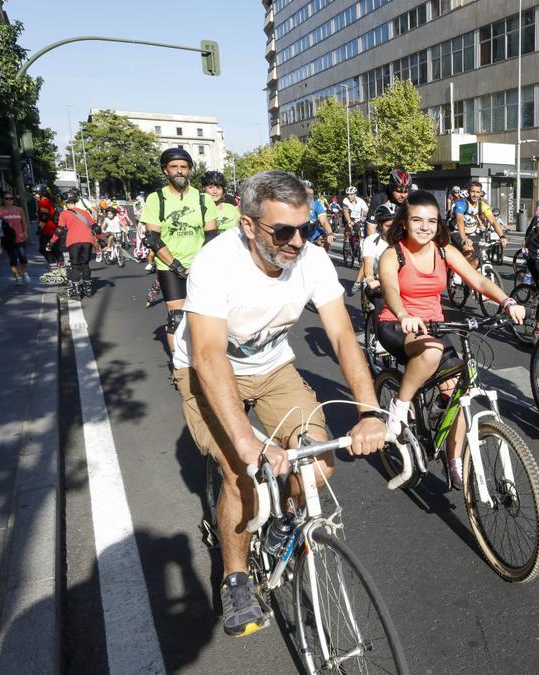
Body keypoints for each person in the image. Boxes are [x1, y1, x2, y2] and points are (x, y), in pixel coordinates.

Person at [170, 170, 387, 636]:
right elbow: (209, 355)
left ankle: (282, 522)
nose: (296, 242)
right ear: (248, 225)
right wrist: (248, 443)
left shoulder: (311, 258)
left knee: (317, 464)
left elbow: (343, 335)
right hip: (207, 371)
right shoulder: (216, 262)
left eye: (304, 229)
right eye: (282, 231)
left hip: (272, 369)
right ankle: (236, 578)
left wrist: (370, 411)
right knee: (240, 472)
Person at [376, 190, 524, 488]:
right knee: (431, 354)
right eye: (417, 220)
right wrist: (404, 314)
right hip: (396, 324)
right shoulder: (393, 254)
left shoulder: (444, 251)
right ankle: (400, 406)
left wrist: (507, 302)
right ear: (404, 222)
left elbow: (479, 280)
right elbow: (390, 290)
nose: (425, 227)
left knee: (458, 392)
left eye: (431, 221)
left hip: (434, 327)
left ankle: (454, 459)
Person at [141, 147, 219, 354]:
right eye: (174, 167)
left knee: (204, 315)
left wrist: (197, 264)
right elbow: (152, 238)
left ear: (190, 170)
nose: (179, 171)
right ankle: (179, 365)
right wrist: (175, 265)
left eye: (184, 167)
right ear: (165, 170)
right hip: (169, 266)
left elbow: (211, 236)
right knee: (177, 316)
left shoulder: (203, 199)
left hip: (199, 265)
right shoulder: (155, 199)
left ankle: (202, 358)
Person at [47, 188, 100, 298]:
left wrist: (51, 243)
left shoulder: (64, 214)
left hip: (73, 241)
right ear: (76, 201)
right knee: (85, 264)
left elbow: (59, 230)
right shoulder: (85, 212)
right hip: (87, 240)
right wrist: (101, 240)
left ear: (65, 202)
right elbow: (95, 227)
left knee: (75, 265)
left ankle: (76, 288)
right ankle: (88, 287)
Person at [451, 180, 506, 263]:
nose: (475, 194)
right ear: (469, 192)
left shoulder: (482, 205)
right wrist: (464, 238)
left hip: (472, 233)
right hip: (457, 232)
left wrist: (502, 236)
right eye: (473, 191)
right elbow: (460, 222)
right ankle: (459, 270)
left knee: (476, 261)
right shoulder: (462, 203)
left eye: (477, 192)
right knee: (468, 249)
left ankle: (467, 272)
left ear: (481, 193)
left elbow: (493, 221)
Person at [0, 190, 31, 284]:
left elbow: (23, 222)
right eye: (7, 198)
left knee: (23, 257)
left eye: (11, 198)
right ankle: (17, 277)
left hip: (20, 236)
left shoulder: (19, 209)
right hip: (7, 238)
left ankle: (24, 273)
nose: (9, 200)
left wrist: (25, 231)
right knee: (13, 258)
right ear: (3, 199)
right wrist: (2, 224)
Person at [302, 180, 333, 248]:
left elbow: (324, 221)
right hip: (297, 233)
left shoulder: (316, 204)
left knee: (326, 240)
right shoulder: (293, 203)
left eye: (311, 190)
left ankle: (322, 257)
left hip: (313, 232)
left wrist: (330, 233)